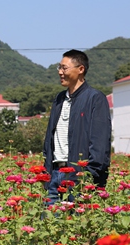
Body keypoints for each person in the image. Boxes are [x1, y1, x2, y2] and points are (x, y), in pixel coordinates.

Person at [43, 49, 112, 206]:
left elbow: (100, 143)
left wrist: (88, 176)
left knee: (77, 220)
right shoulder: (59, 99)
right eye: (59, 68)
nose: (60, 72)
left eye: (64, 68)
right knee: (48, 220)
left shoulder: (95, 98)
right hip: (55, 175)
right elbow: (49, 139)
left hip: (79, 178)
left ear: (81, 69)